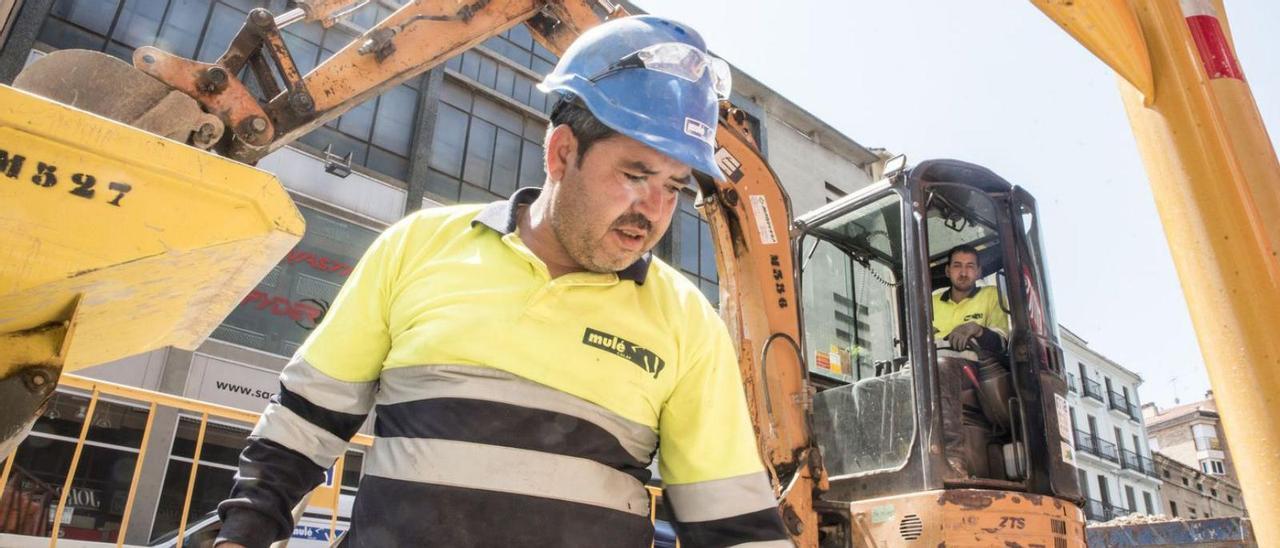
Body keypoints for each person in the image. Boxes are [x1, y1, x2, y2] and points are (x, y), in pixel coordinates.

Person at [214, 16, 791, 548]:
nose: (655, 209)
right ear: (562, 154)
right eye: (636, 174)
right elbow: (301, 425)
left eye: (674, 186)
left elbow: (731, 522)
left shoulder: (686, 319)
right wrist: (241, 537)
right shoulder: (419, 246)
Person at [932, 244, 1009, 353]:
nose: (963, 273)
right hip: (934, 362)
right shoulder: (932, 301)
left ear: (978, 272)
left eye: (970, 266)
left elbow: (1001, 345)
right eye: (957, 266)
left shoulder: (991, 295)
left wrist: (977, 330)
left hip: (976, 365)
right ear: (948, 271)